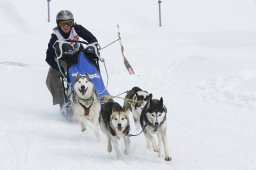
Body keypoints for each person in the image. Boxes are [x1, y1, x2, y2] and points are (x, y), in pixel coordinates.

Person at [45, 10, 100, 109]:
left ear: (72, 23)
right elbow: (48, 57)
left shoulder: (77, 29)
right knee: (51, 77)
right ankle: (64, 104)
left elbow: (92, 39)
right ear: (58, 24)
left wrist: (93, 47)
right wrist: (58, 68)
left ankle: (99, 94)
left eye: (69, 23)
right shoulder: (55, 36)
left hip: (79, 56)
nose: (66, 26)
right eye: (63, 23)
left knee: (92, 69)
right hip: (64, 60)